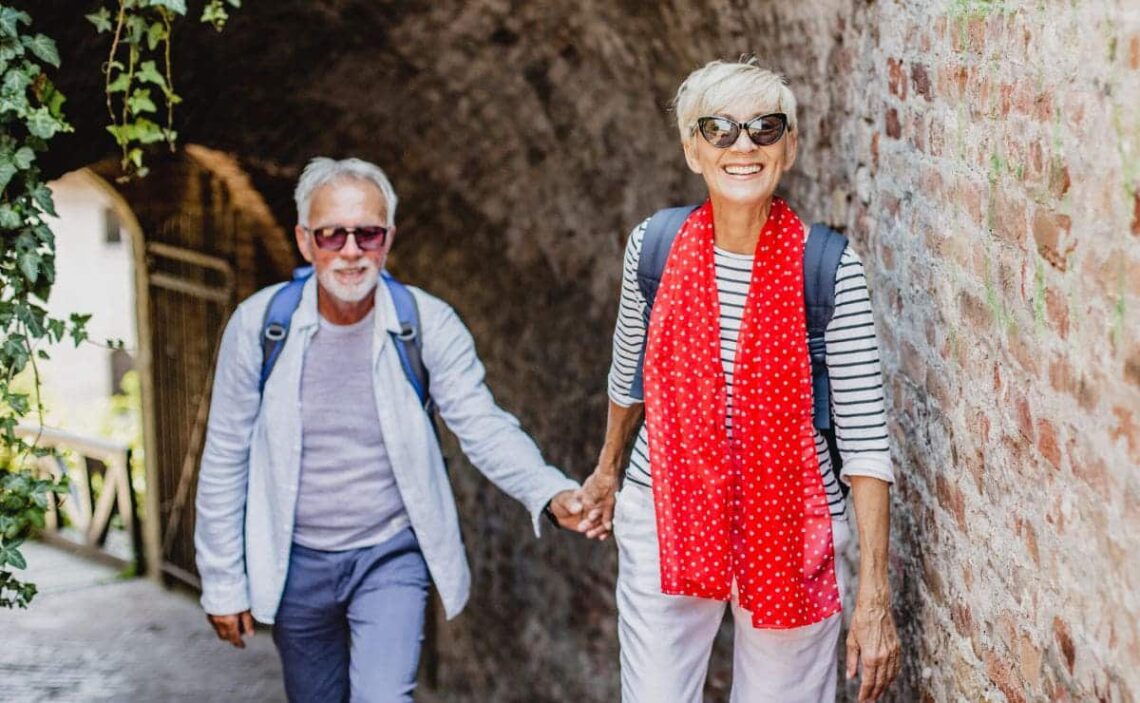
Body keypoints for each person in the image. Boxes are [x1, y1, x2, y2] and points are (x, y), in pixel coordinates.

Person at [194, 157, 590, 702]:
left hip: (388, 556)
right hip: (294, 561)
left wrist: (548, 489)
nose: (351, 250)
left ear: (388, 240)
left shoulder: (426, 323)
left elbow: (481, 422)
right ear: (306, 242)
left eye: (368, 234)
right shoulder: (260, 326)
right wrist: (222, 582)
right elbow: (224, 456)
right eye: (333, 234)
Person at [578, 58, 902, 702]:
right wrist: (608, 470)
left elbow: (866, 445)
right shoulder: (655, 246)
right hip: (665, 508)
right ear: (693, 150)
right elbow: (627, 377)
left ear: (791, 145)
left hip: (794, 525)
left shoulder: (829, 270)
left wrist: (874, 595)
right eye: (719, 129)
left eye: (765, 127)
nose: (743, 145)